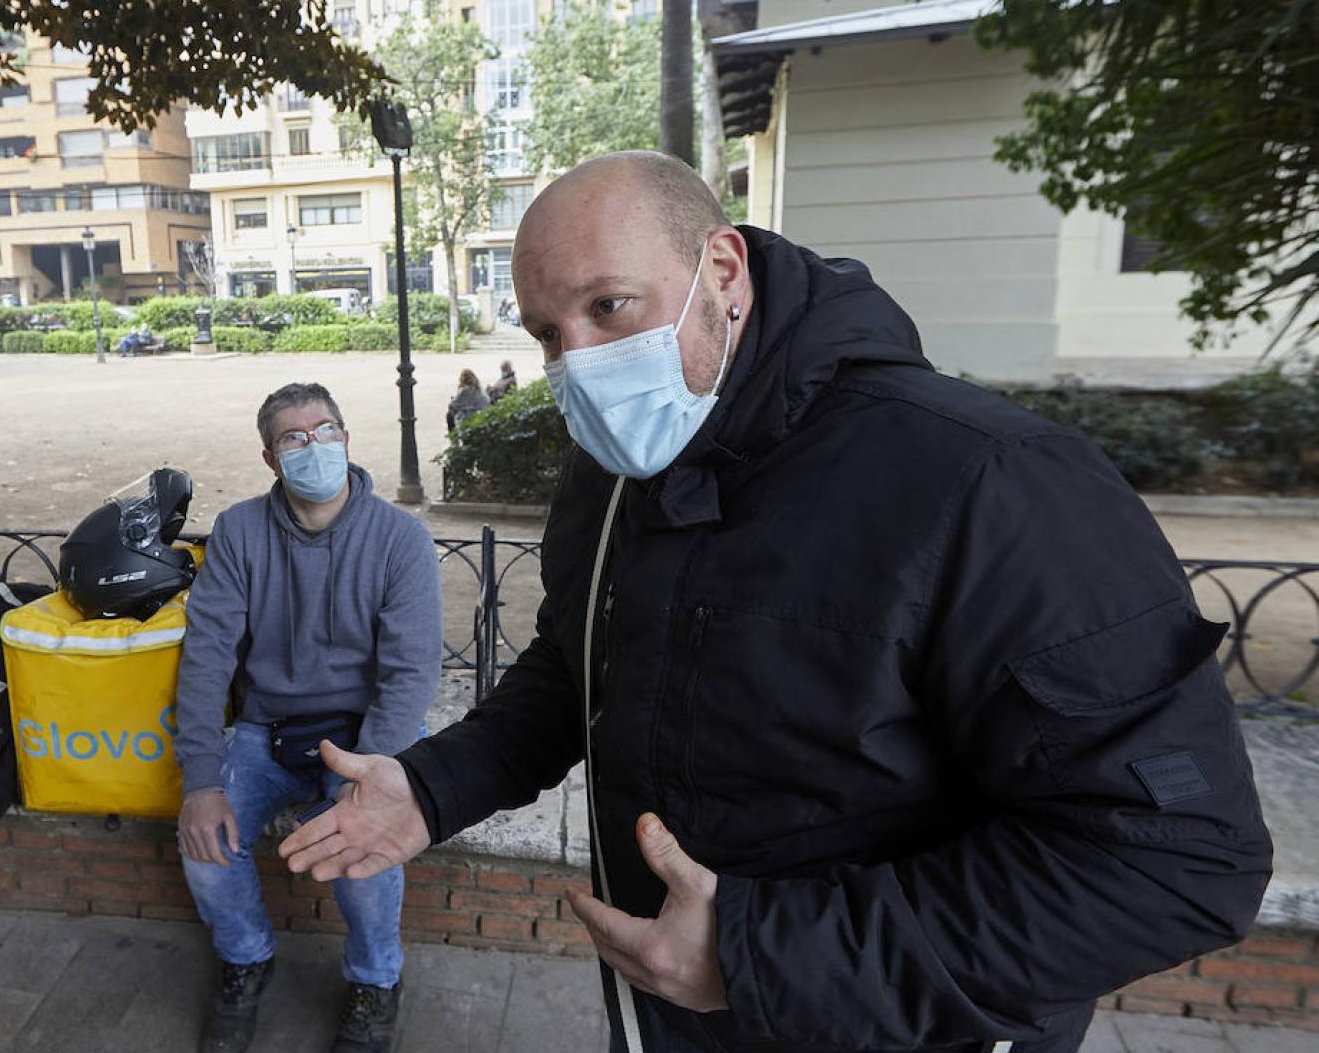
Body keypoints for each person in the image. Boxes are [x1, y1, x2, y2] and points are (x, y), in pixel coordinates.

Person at [281, 152, 1272, 1053]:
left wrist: (764, 955)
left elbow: (1174, 861)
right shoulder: (616, 470)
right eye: (548, 332)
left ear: (723, 271)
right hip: (662, 1019)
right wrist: (435, 784)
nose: (575, 362)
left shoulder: (992, 483)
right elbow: (583, 661)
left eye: (611, 306)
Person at [175, 382, 443, 1053]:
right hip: (267, 730)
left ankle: (376, 980)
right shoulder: (239, 532)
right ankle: (245, 959)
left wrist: (371, 779)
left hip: (364, 738)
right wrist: (200, 780)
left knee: (368, 845)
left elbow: (409, 674)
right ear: (271, 458)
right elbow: (206, 655)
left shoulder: (400, 538)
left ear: (347, 438)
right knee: (206, 844)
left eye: (325, 430)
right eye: (293, 438)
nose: (312, 446)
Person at [445, 368, 490, 433]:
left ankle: (453, 437)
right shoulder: (480, 390)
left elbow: (452, 406)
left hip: (469, 419)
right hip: (482, 417)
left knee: (449, 415)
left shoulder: (465, 391)